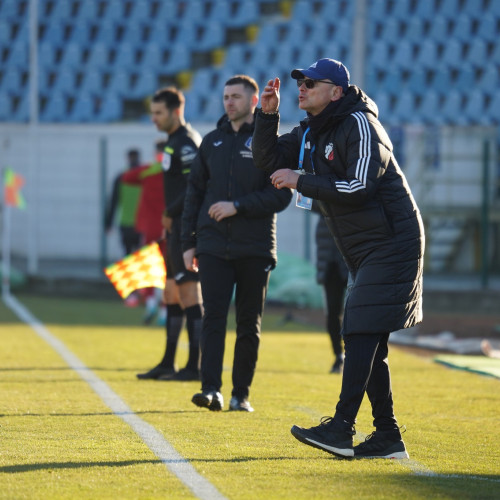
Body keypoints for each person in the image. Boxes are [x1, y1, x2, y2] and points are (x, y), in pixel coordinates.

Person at [252, 58, 424, 458]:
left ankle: (342, 428)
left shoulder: (361, 125)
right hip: (365, 248)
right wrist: (267, 115)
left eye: (311, 82)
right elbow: (268, 161)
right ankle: (387, 436)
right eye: (301, 81)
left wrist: (302, 181)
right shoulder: (312, 130)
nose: (302, 87)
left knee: (359, 331)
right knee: (370, 342)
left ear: (337, 92)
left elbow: (360, 186)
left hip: (392, 242)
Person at [182, 75, 292, 412]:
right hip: (213, 245)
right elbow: (194, 194)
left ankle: (240, 394)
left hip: (254, 247)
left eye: (235, 97)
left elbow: (282, 195)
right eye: (225, 96)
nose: (229, 102)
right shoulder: (211, 142)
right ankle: (210, 389)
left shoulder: (268, 143)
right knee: (212, 317)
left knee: (248, 323)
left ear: (254, 101)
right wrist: (189, 243)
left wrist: (238, 207)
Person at [137, 87, 204, 381]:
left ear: (176, 111)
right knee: (171, 293)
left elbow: (195, 187)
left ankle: (194, 366)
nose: (154, 118)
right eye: (152, 113)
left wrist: (170, 212)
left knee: (189, 293)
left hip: (186, 226)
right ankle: (168, 362)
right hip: (175, 227)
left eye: (158, 113)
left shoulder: (187, 143)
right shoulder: (173, 142)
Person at [122, 141, 166, 324]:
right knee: (168, 271)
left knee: (148, 268)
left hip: (149, 229)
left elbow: (127, 177)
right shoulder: (176, 172)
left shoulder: (148, 171)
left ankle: (149, 304)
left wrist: (151, 166)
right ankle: (165, 312)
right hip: (169, 228)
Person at [314, 213, 348, 374]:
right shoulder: (321, 196)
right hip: (330, 265)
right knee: (333, 314)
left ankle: (354, 354)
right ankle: (339, 355)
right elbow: (306, 200)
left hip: (352, 262)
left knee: (356, 312)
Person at [104, 149, 142, 256]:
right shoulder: (143, 176)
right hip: (140, 223)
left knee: (128, 254)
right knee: (140, 256)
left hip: (126, 223)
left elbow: (113, 201)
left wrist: (108, 223)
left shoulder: (121, 177)